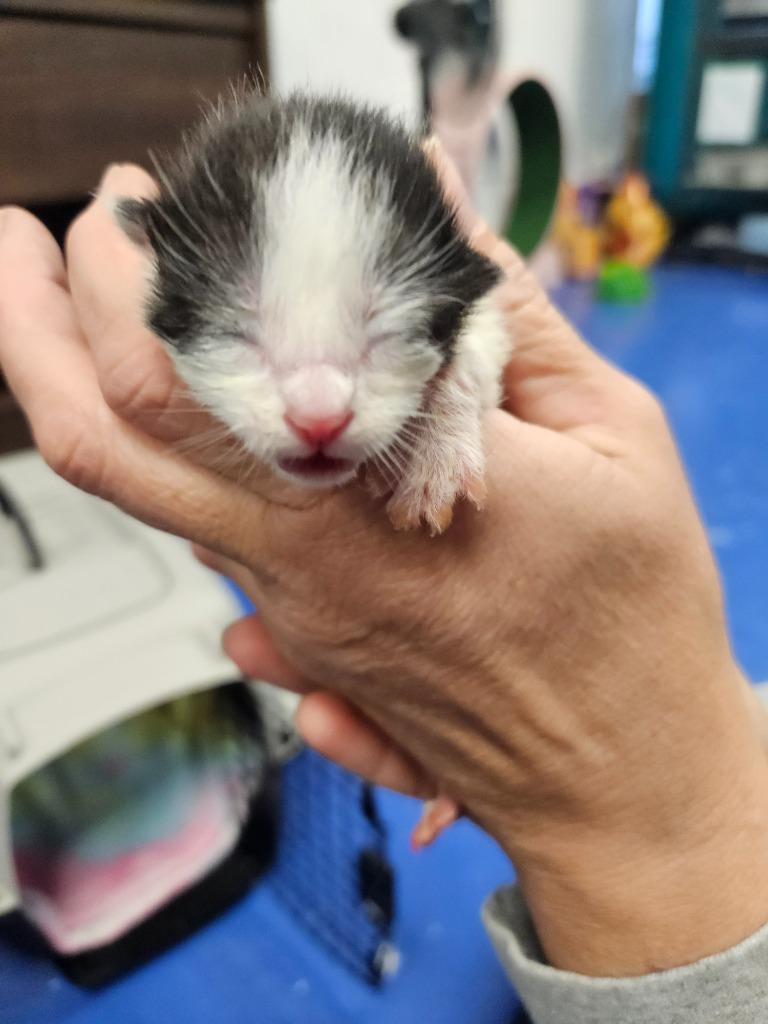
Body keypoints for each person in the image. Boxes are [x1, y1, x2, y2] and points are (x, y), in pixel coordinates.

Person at [1, 148, 768, 1024]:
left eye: (382, 332)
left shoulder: (451, 298)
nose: (319, 409)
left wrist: (450, 407)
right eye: (247, 339)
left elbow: (481, 326)